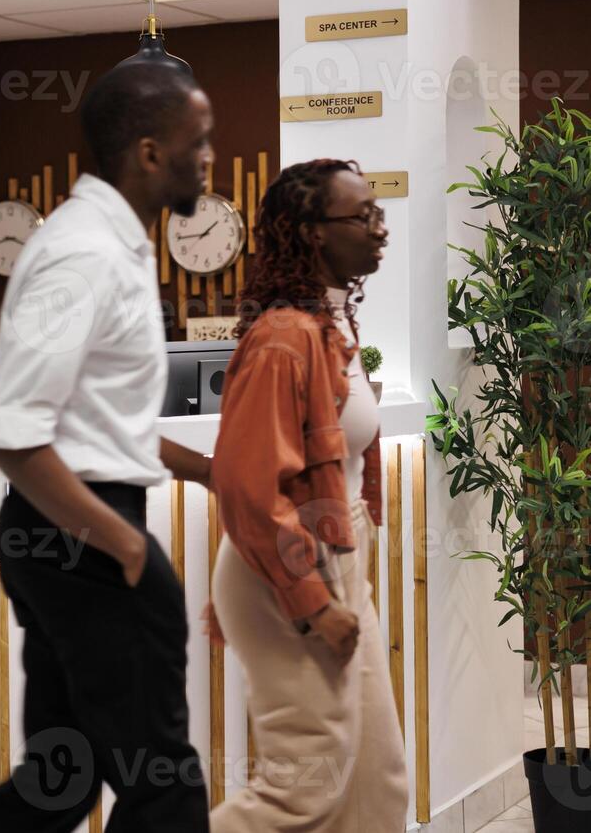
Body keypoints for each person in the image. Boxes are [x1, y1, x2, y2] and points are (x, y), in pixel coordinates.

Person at [0, 60, 214, 832]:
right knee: (163, 786)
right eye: (197, 140)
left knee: (61, 779)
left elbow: (98, 420)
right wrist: (123, 546)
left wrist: (209, 470)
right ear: (147, 151)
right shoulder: (84, 254)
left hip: (71, 530)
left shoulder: (116, 246)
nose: (208, 155)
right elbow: (11, 432)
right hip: (83, 534)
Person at [208, 159, 408, 832]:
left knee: (376, 787)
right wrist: (313, 601)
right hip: (287, 569)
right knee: (305, 785)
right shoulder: (283, 336)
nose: (380, 229)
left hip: (335, 555)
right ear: (314, 234)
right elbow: (246, 485)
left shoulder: (330, 321)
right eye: (362, 216)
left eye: (378, 213)